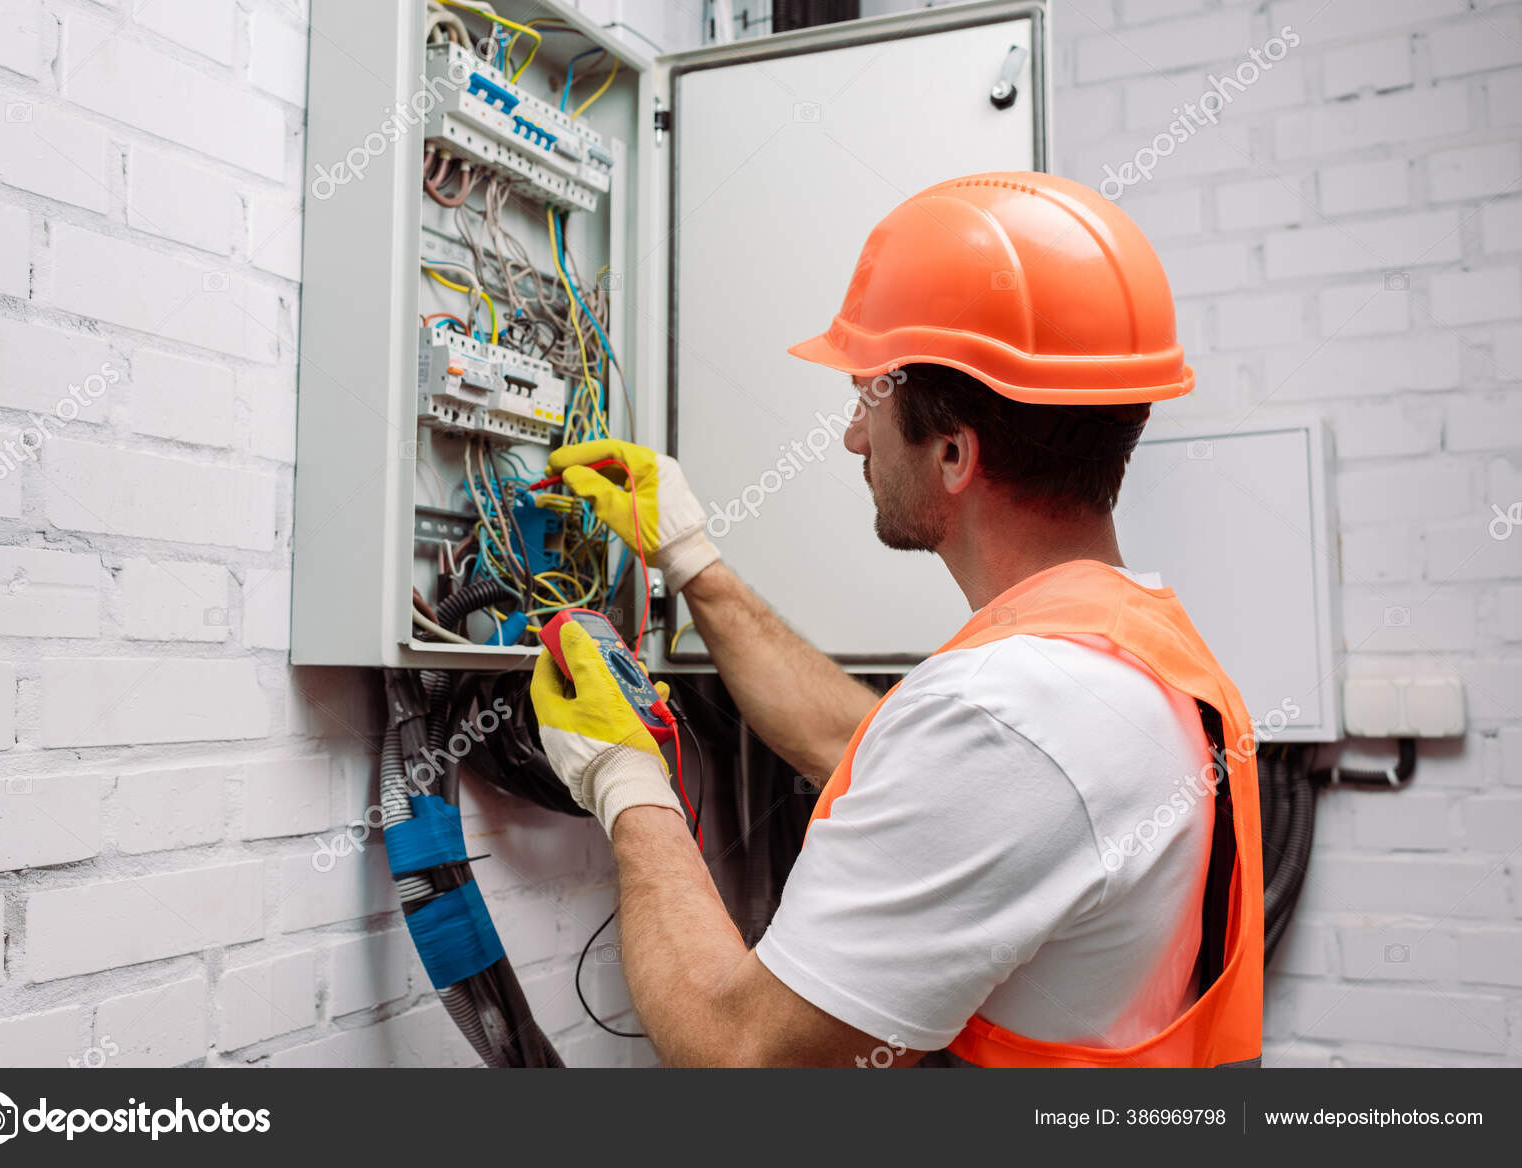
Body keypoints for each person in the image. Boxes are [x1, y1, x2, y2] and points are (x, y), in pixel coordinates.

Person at [529, 172, 1263, 1068]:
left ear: (953, 452)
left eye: (868, 399)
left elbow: (742, 1053)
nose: (851, 437)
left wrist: (624, 781)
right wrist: (690, 559)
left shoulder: (1014, 714)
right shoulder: (1121, 648)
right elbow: (866, 751)